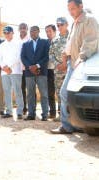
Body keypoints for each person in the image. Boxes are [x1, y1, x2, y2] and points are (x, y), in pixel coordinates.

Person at [51, 0, 99, 134]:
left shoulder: (90, 20)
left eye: (73, 8)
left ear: (81, 6)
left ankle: (71, 125)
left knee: (67, 94)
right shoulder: (75, 22)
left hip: (83, 65)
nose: (70, 11)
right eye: (68, 9)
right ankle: (71, 125)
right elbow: (71, 42)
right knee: (65, 94)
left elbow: (91, 41)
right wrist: (65, 55)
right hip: (73, 63)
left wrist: (81, 58)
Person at [21, 26, 50, 121]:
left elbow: (46, 56)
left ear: (38, 31)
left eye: (34, 31)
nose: (32, 32)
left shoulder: (45, 42)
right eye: (31, 31)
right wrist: (30, 67)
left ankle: (45, 114)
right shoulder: (25, 44)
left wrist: (37, 66)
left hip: (41, 72)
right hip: (29, 73)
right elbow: (23, 57)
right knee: (30, 94)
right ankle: (31, 114)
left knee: (44, 93)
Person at [0, 26, 24, 119]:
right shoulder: (2, 45)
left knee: (17, 91)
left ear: (12, 33)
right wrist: (4, 67)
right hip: (4, 72)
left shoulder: (18, 43)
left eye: (8, 32)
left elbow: (18, 57)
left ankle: (20, 112)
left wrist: (9, 66)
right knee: (7, 91)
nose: (7, 34)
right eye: (5, 33)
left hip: (15, 70)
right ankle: (9, 111)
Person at [50, 17, 69, 118]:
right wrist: (57, 64)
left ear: (67, 24)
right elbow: (51, 54)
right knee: (59, 93)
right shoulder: (55, 40)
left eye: (62, 24)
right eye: (58, 25)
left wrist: (66, 64)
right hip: (58, 71)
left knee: (70, 93)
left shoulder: (72, 38)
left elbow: (76, 53)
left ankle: (71, 116)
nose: (60, 27)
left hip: (69, 70)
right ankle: (62, 115)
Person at [45, 24, 57, 119]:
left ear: (54, 31)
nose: (48, 33)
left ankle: (63, 113)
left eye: (50, 31)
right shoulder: (45, 43)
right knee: (50, 92)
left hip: (60, 70)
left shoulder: (60, 41)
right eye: (47, 31)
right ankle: (52, 112)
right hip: (49, 70)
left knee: (61, 92)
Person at [18, 23, 30, 115]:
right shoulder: (15, 40)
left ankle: (31, 108)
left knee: (30, 89)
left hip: (28, 68)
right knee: (21, 89)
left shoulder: (30, 40)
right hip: (18, 69)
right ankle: (23, 107)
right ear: (19, 29)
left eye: (24, 28)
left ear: (27, 29)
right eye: (21, 28)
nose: (22, 29)